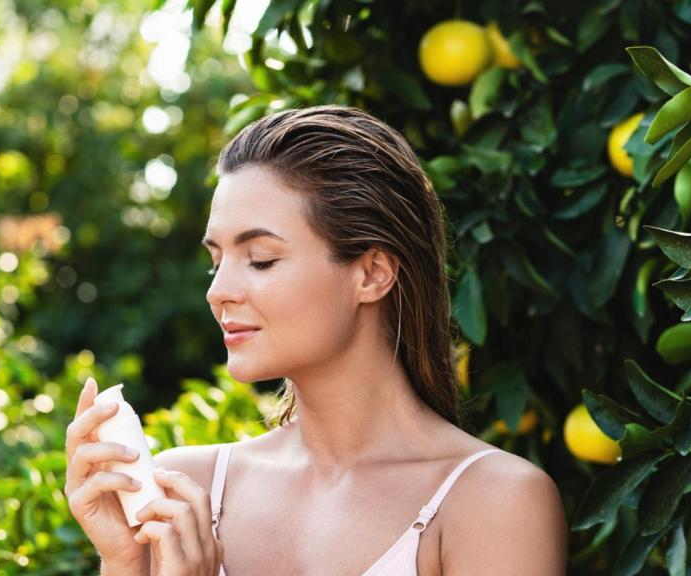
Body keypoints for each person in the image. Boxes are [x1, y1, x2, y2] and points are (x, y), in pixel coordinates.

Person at [65, 105, 568, 575]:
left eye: (260, 258)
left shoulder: (494, 501)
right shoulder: (181, 492)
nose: (217, 292)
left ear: (371, 273)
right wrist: (125, 565)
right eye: (216, 261)